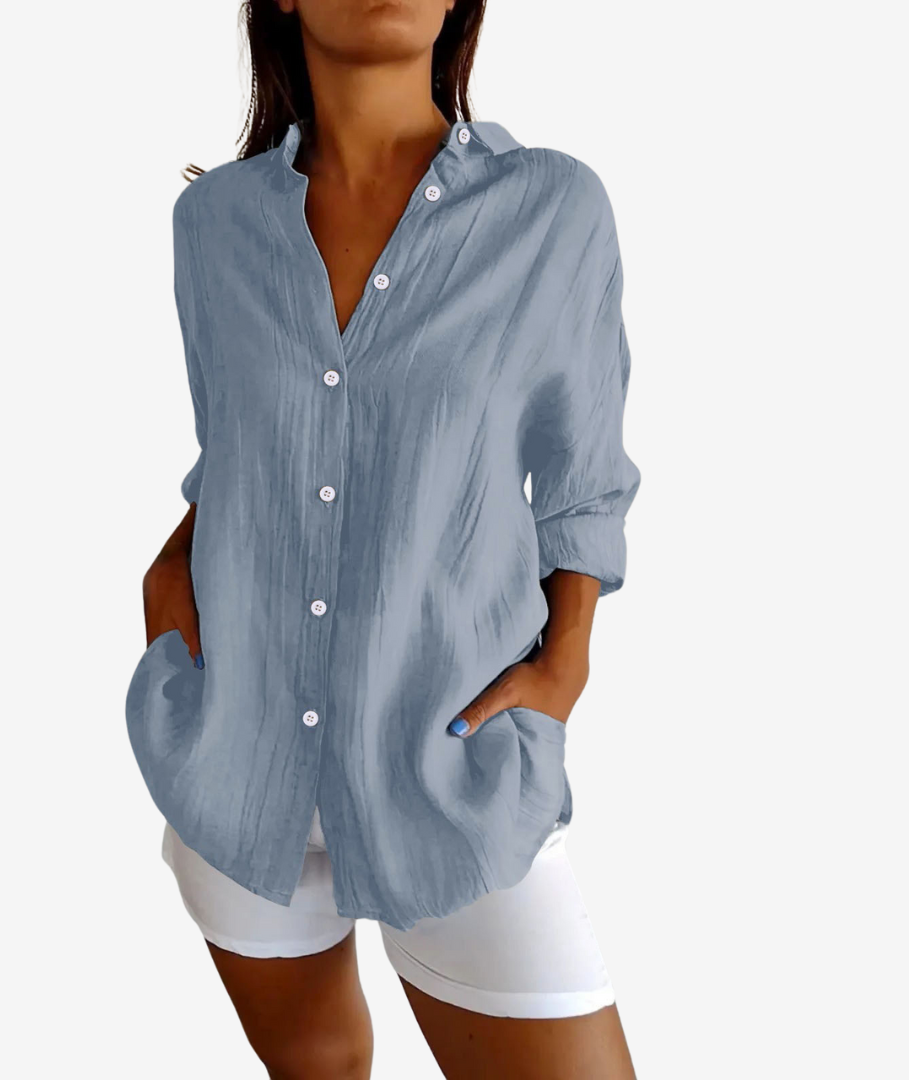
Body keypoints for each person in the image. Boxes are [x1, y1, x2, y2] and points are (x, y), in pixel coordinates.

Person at [127, 1, 640, 1076]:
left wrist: (567, 661)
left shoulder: (551, 210)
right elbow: (238, 448)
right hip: (240, 763)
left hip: (452, 770)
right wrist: (172, 571)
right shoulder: (213, 226)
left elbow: (582, 477)